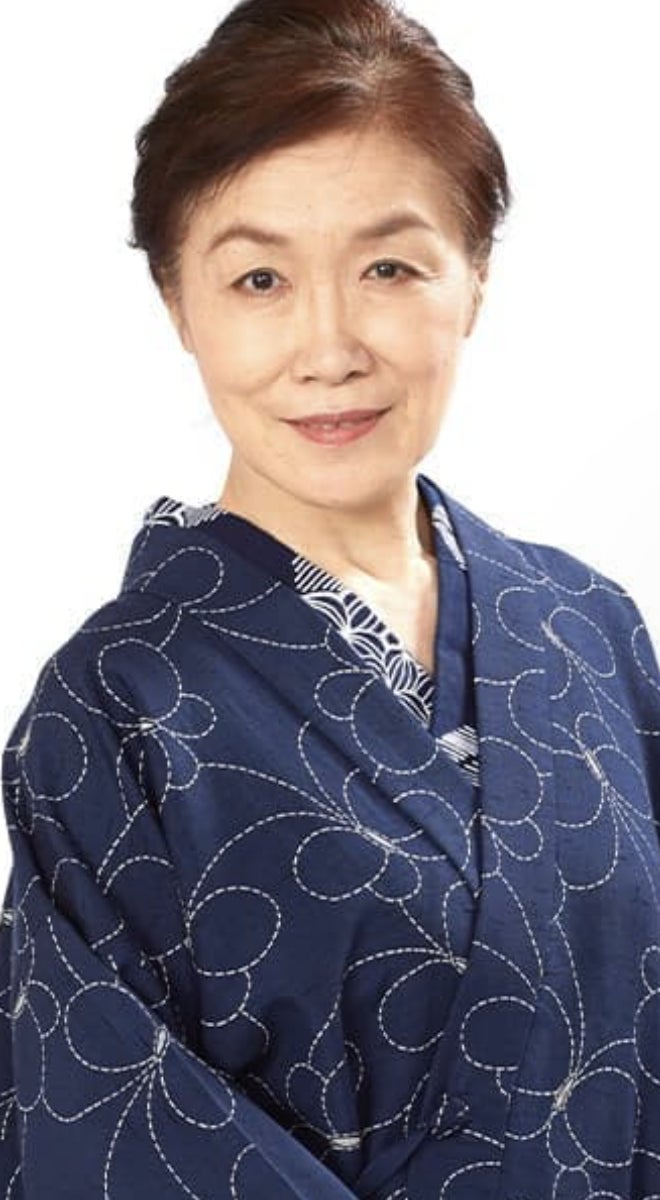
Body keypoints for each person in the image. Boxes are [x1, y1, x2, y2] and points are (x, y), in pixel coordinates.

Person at [1, 0, 659, 1196]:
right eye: (259, 278)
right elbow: (106, 1138)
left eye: (389, 268)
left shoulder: (588, 625)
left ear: (475, 279)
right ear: (178, 305)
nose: (330, 347)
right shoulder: (112, 707)